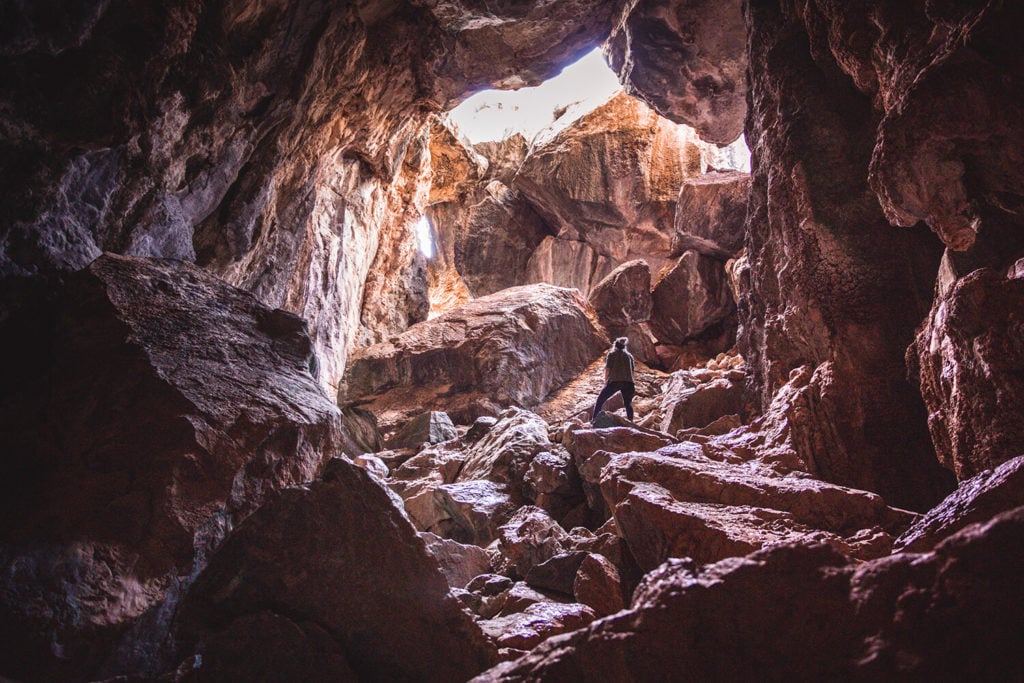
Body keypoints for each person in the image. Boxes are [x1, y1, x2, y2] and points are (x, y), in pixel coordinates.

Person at [592, 337, 636, 422]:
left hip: (615, 382)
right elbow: (632, 371)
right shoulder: (629, 356)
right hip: (629, 383)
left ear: (615, 345)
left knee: (600, 400)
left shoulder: (612, 354)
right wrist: (631, 382)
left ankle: (594, 420)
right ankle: (631, 421)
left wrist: (606, 381)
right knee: (628, 403)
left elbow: (608, 369)